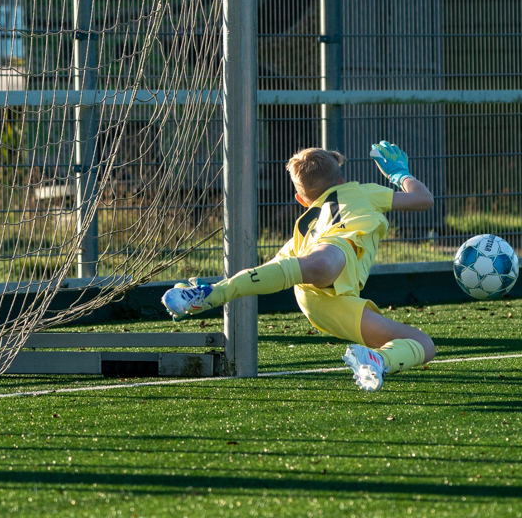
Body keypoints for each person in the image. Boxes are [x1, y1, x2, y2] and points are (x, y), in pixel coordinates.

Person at [162, 142, 436, 392]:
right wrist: (400, 174)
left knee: (425, 344)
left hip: (322, 304)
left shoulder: (302, 228)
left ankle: (378, 361)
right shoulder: (360, 191)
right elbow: (423, 199)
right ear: (341, 181)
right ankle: (213, 293)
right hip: (331, 264)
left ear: (301, 199)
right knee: (325, 261)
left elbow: (274, 268)